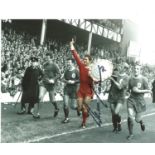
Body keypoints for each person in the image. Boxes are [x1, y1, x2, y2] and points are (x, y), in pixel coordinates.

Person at [70, 39, 94, 128]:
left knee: (84, 107)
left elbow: (97, 81)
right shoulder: (81, 66)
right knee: (79, 108)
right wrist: (71, 45)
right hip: (81, 90)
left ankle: (83, 123)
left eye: (86, 59)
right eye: (83, 59)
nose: (84, 60)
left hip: (88, 91)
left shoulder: (93, 70)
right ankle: (85, 112)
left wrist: (92, 76)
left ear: (90, 61)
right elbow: (75, 56)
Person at [127, 64, 152, 140]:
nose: (136, 70)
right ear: (133, 69)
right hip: (131, 100)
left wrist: (138, 91)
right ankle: (131, 134)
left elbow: (149, 90)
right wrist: (127, 92)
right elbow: (128, 90)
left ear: (140, 70)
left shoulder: (143, 79)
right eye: (135, 68)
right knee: (130, 117)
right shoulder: (130, 79)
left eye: (138, 68)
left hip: (140, 101)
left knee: (137, 120)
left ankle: (141, 122)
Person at [33, 53, 61, 118]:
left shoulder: (54, 65)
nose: (47, 59)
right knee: (40, 97)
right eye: (46, 58)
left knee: (52, 100)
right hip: (44, 83)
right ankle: (37, 113)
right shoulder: (44, 65)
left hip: (51, 84)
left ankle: (56, 108)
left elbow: (59, 74)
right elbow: (43, 74)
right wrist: (39, 78)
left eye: (48, 58)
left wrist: (53, 79)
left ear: (51, 58)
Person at [108, 62, 129, 133]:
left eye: (122, 66)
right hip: (112, 95)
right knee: (113, 113)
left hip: (120, 97)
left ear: (125, 69)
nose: (120, 66)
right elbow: (110, 83)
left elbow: (120, 87)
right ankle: (115, 127)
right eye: (120, 65)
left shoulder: (126, 77)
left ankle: (119, 123)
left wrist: (113, 80)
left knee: (116, 112)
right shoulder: (115, 74)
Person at [61, 58, 79, 123]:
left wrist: (73, 81)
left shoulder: (76, 71)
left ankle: (79, 109)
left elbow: (80, 80)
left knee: (73, 106)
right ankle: (66, 118)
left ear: (73, 63)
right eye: (67, 62)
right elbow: (62, 79)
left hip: (73, 90)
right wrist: (67, 81)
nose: (68, 63)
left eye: (69, 62)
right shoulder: (66, 71)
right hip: (67, 89)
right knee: (65, 104)